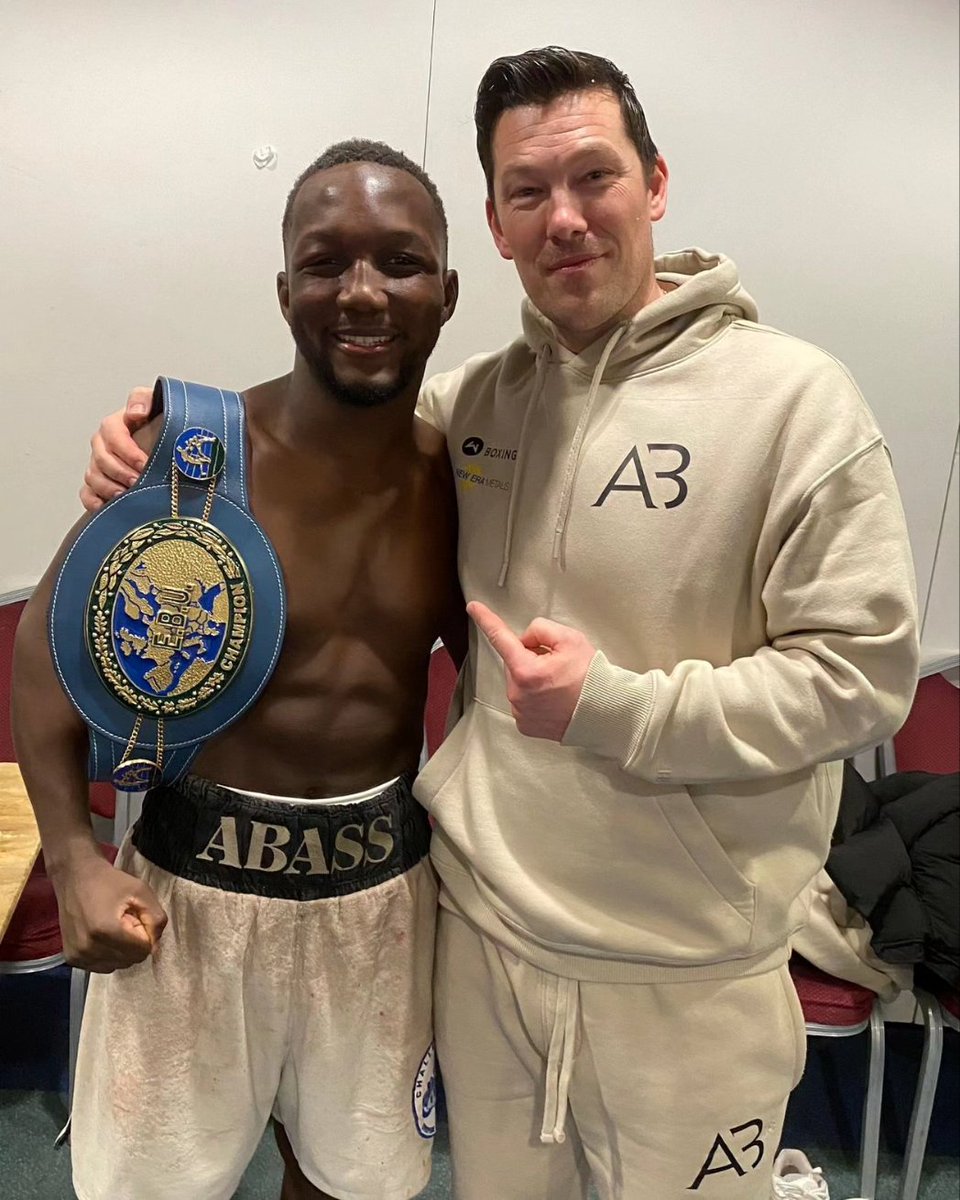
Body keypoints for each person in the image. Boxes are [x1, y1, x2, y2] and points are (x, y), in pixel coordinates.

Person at [80, 47, 920, 1200]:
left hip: (687, 970)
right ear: (497, 223)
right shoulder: (469, 404)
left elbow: (865, 680)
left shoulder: (796, 404)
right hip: (481, 939)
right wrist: (162, 433)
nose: (564, 217)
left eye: (595, 176)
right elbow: (321, 416)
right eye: (529, 192)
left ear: (656, 182)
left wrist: (615, 708)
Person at [13, 139, 464, 1200]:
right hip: (189, 897)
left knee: (349, 1184)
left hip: (382, 894)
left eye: (398, 262)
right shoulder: (191, 452)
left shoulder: (468, 477)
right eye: (326, 262)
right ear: (283, 289)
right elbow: (45, 649)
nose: (362, 292)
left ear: (447, 292)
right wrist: (75, 859)